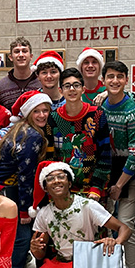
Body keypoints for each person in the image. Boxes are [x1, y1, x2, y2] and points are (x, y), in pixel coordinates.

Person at [14, 161, 131, 268]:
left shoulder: (87, 205)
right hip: (61, 263)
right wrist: (35, 249)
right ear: (45, 187)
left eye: (61, 176)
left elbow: (124, 228)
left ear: (69, 182)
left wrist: (115, 242)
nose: (56, 181)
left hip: (88, 262)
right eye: (50, 179)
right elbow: (40, 254)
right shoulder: (44, 213)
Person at [0, 90, 52, 268]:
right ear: (28, 113)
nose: (42, 115)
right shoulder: (32, 136)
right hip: (9, 191)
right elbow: (26, 177)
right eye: (37, 111)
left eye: (45, 111)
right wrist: (26, 210)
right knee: (21, 237)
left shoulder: (19, 129)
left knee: (8, 236)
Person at [99, 60, 135, 268]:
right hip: (105, 170)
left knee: (126, 223)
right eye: (110, 77)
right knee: (103, 222)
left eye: (119, 77)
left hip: (127, 173)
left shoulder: (132, 109)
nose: (114, 81)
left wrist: (119, 184)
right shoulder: (100, 104)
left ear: (126, 80)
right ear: (104, 80)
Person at [49, 67, 112, 200]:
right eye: (67, 86)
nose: (72, 89)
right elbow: (50, 156)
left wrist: (97, 187)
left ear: (83, 89)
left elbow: (105, 154)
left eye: (76, 85)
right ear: (61, 90)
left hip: (93, 189)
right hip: (62, 189)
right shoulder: (54, 118)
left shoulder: (97, 114)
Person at [0, 37, 41, 110]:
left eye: (24, 51)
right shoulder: (0, 86)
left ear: (31, 56)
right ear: (10, 57)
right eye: (17, 51)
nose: (21, 55)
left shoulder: (41, 83)